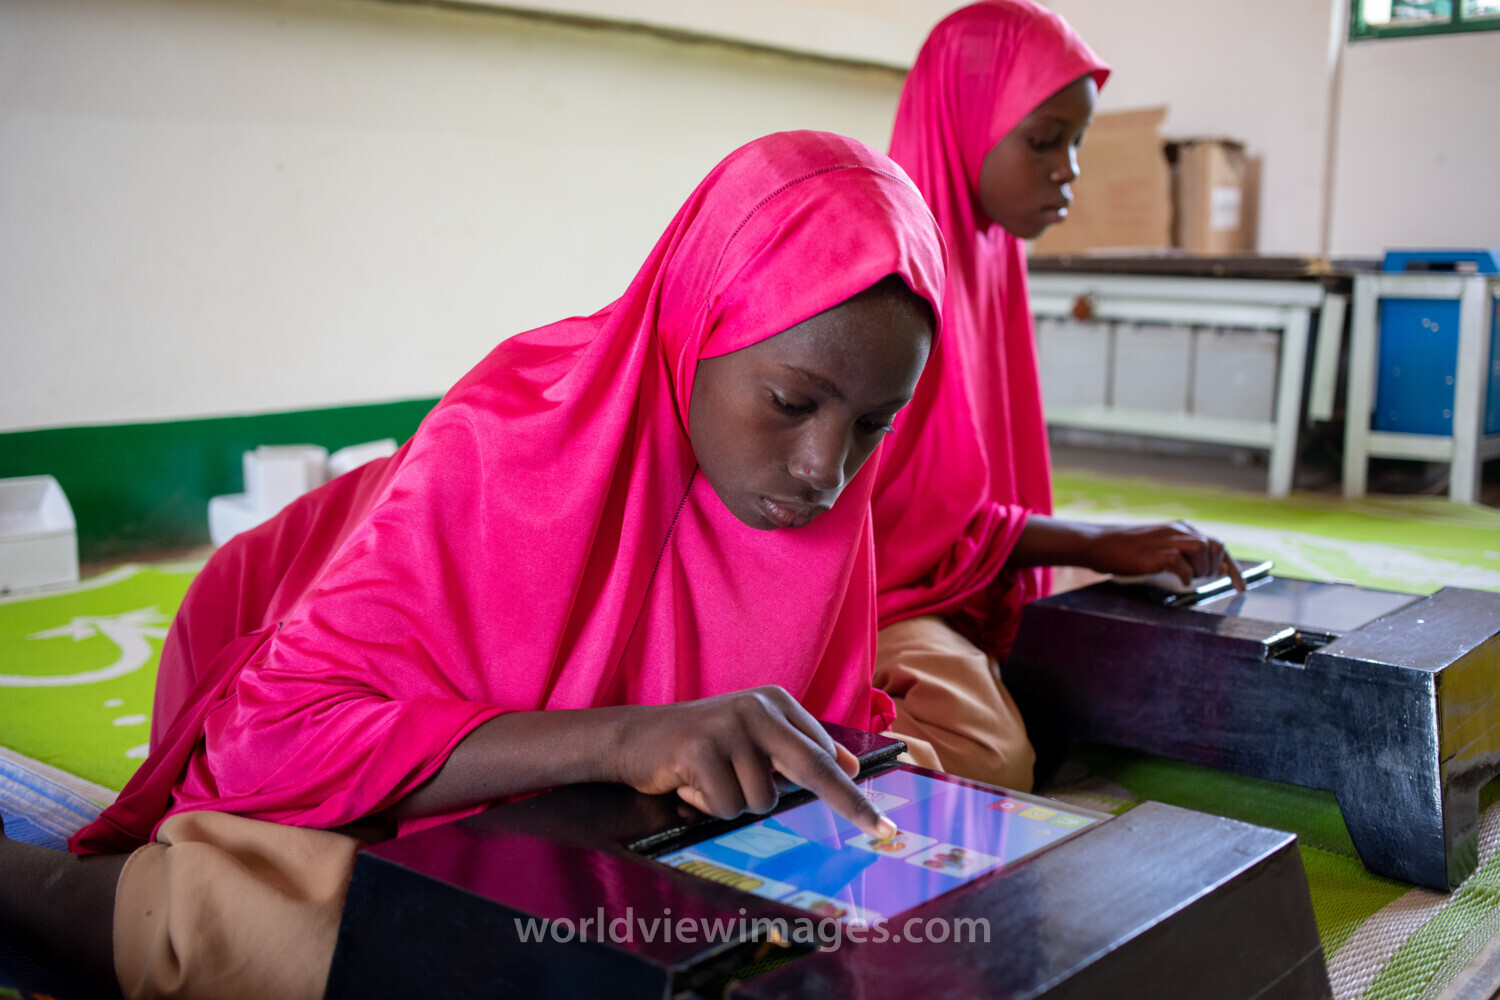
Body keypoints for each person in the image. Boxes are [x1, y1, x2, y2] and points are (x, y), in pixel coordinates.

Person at [0, 129, 946, 1000]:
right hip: (298, 658)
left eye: (874, 426)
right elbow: (273, 738)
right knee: (280, 927)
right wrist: (622, 739)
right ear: (698, 327)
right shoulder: (505, 441)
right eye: (789, 401)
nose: (827, 470)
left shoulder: (818, 499)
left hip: (564, 803)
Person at [871, 1, 1242, 791]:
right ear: (964, 124)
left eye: (1075, 143)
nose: (1067, 169)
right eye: (1043, 142)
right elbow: (900, 531)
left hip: (950, 574)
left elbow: (962, 505)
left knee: (1136, 618)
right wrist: (1089, 541)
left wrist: (1100, 548)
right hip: (875, 595)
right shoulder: (895, 274)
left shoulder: (988, 248)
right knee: (992, 761)